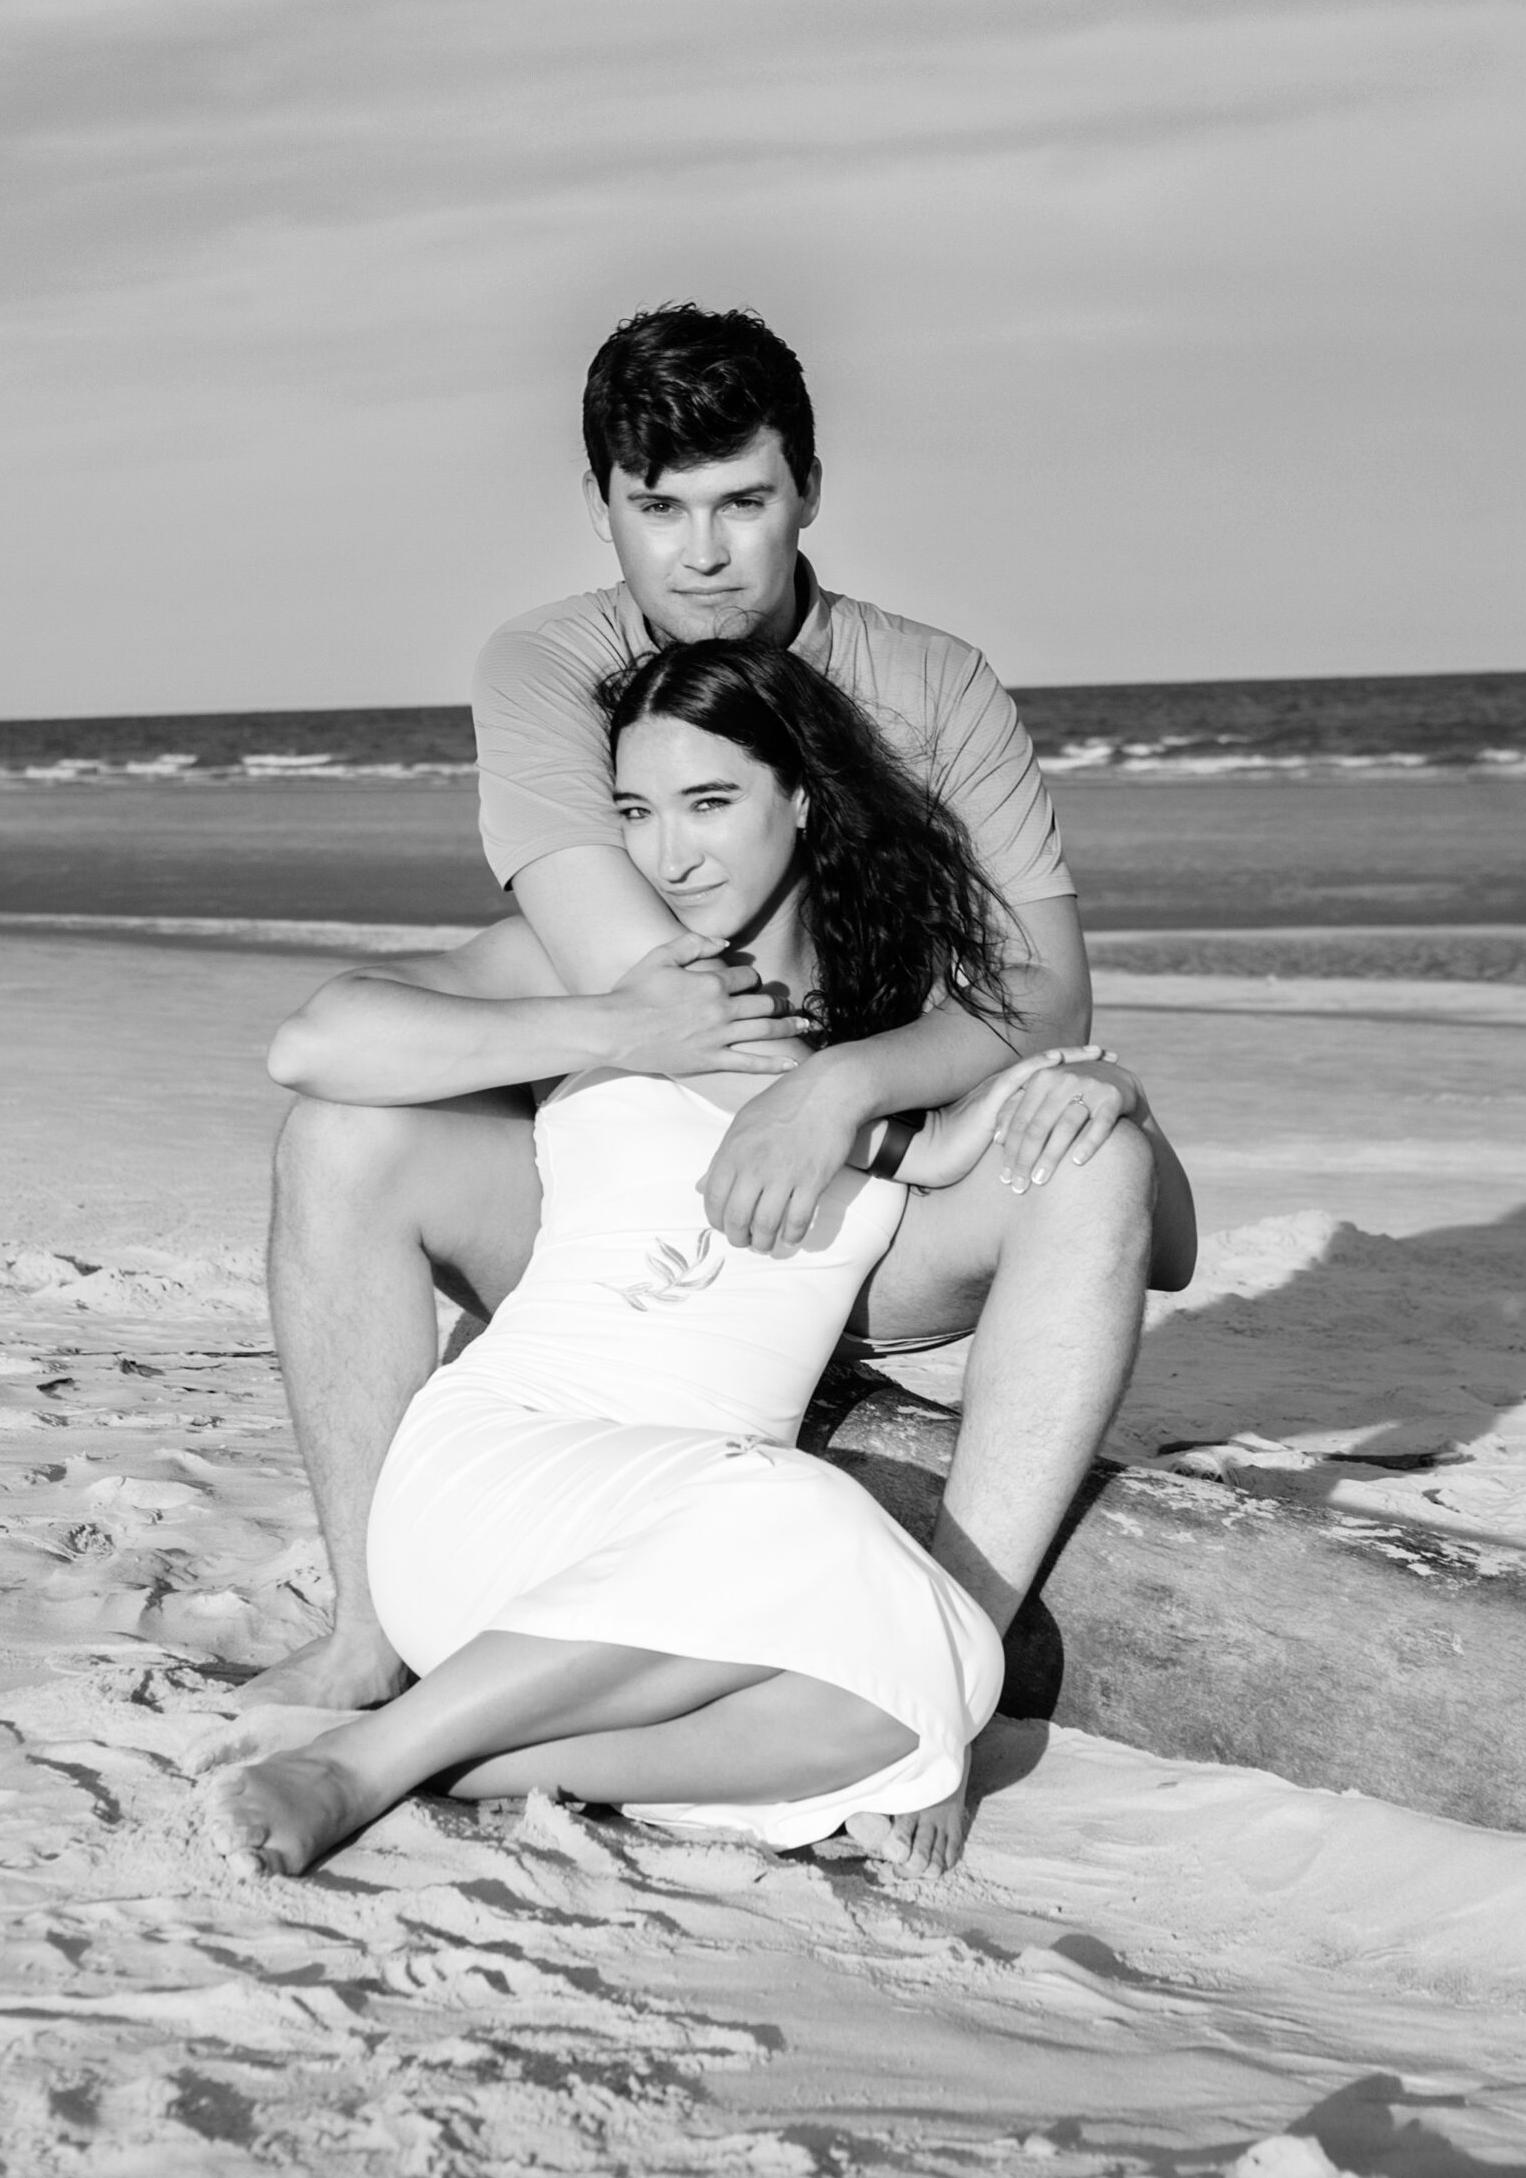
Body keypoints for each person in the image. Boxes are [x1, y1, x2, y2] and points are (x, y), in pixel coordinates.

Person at [251, 303, 1195, 1868]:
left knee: (1083, 1157)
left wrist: (854, 1099)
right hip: (624, 1233)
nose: (699, 554)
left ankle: (943, 1638)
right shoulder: (559, 667)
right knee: (344, 1129)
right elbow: (643, 976)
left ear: (806, 489)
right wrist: (647, 1035)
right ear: (606, 508)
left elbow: (1051, 1001)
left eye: (740, 501)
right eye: (656, 507)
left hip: (861, 1219)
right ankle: (369, 1640)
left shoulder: (930, 684)